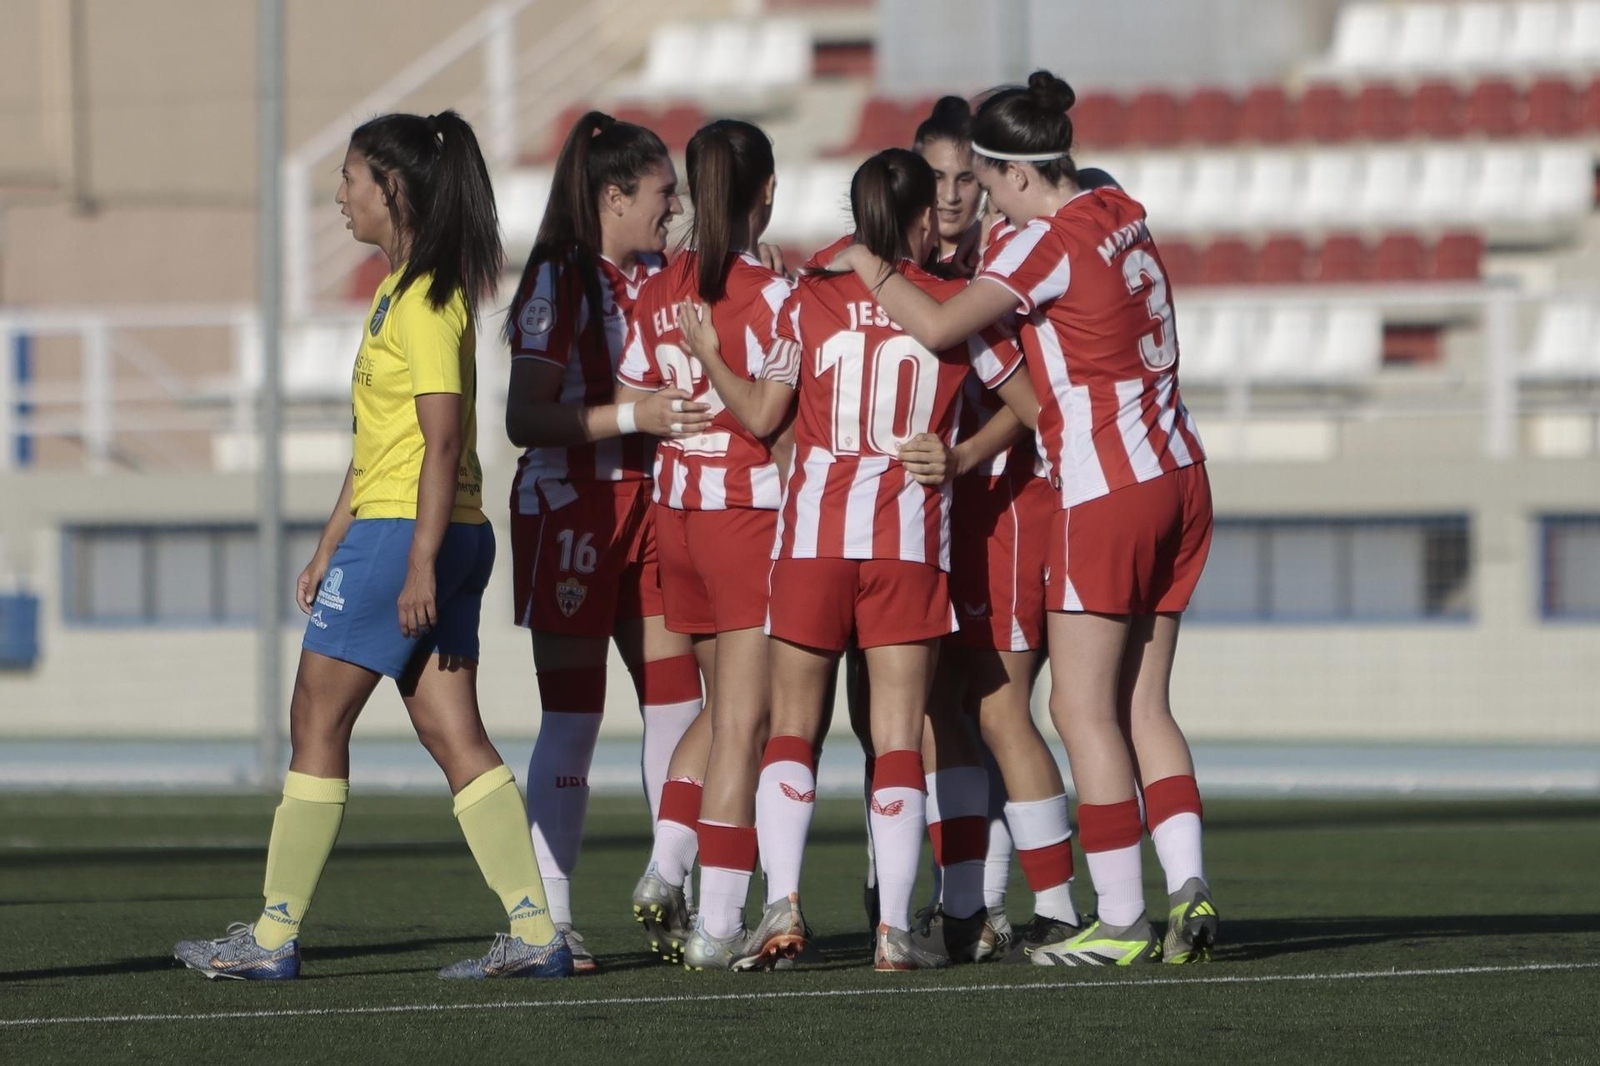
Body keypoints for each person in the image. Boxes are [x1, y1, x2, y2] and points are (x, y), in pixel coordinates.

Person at [174, 111, 573, 980]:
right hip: (419, 530)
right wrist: (328, 543)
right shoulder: (405, 289)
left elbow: (438, 439)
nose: (340, 194)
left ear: (394, 187)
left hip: (412, 535)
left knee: (315, 717)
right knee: (451, 731)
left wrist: (417, 562)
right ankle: (537, 931)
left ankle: (271, 939)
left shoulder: (428, 297)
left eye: (352, 176)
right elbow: (383, 443)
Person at [830, 71, 1217, 966]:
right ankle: (1188, 888)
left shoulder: (1038, 246)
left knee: (1082, 712)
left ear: (1012, 172)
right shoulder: (1118, 204)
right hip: (1181, 471)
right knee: (1145, 705)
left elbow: (936, 326)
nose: (975, 197)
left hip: (1106, 485)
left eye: (984, 178)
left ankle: (1118, 920)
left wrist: (869, 265)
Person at [678, 148, 1037, 971]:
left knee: (793, 733)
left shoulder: (807, 299)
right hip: (906, 544)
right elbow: (1030, 407)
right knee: (899, 735)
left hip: (811, 542)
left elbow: (766, 416)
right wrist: (961, 455)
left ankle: (784, 907)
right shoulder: (951, 304)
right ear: (920, 221)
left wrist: (710, 358)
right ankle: (893, 932)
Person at [503, 111, 712, 973]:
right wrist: (634, 415)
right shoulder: (561, 274)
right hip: (572, 511)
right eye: (663, 193)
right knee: (576, 716)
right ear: (614, 195)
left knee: (679, 706)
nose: (674, 207)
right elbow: (524, 415)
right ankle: (549, 921)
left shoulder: (662, 274)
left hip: (655, 506)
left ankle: (679, 894)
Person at [616, 120, 795, 970]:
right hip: (745, 519)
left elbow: (632, 393)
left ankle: (666, 863)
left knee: (721, 711)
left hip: (676, 515)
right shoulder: (770, 293)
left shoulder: (659, 286)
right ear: (765, 190)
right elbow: (775, 416)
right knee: (743, 725)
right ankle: (718, 924)